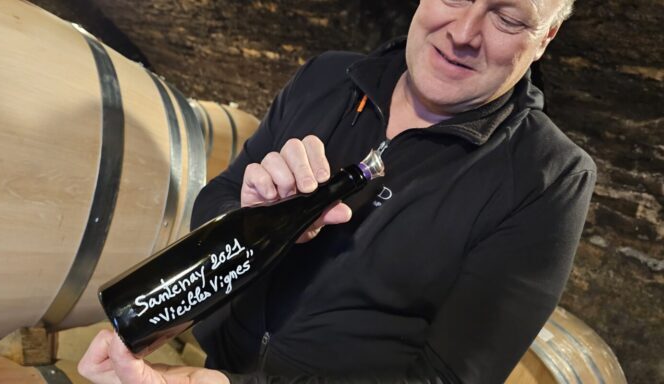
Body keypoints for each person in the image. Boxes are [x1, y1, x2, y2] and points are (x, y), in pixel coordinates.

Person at [79, 0, 596, 382]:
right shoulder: (327, 76)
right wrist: (245, 214)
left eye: (507, 18)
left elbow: (448, 376)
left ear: (546, 36)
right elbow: (218, 196)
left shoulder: (549, 176)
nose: (463, 32)